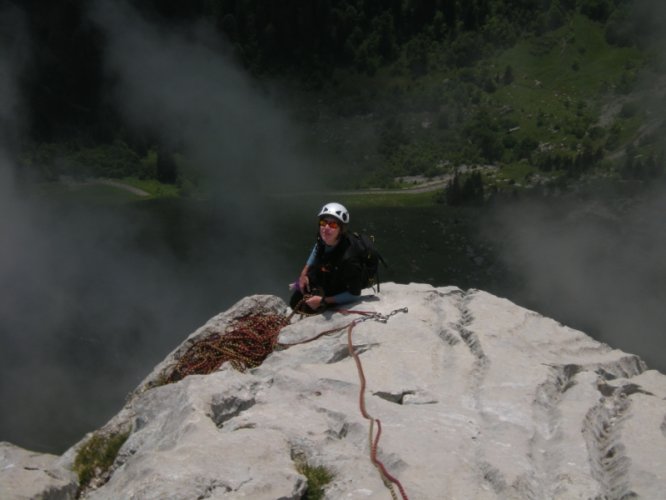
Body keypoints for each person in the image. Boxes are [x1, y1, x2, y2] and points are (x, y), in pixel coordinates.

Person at [289, 202, 363, 313]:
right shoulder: (324, 240)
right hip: (330, 274)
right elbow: (317, 248)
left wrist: (324, 300)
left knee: (305, 307)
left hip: (340, 285)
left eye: (333, 225)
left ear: (341, 229)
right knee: (295, 301)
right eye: (323, 223)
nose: (326, 228)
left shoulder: (349, 259)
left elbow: (355, 294)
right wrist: (304, 273)